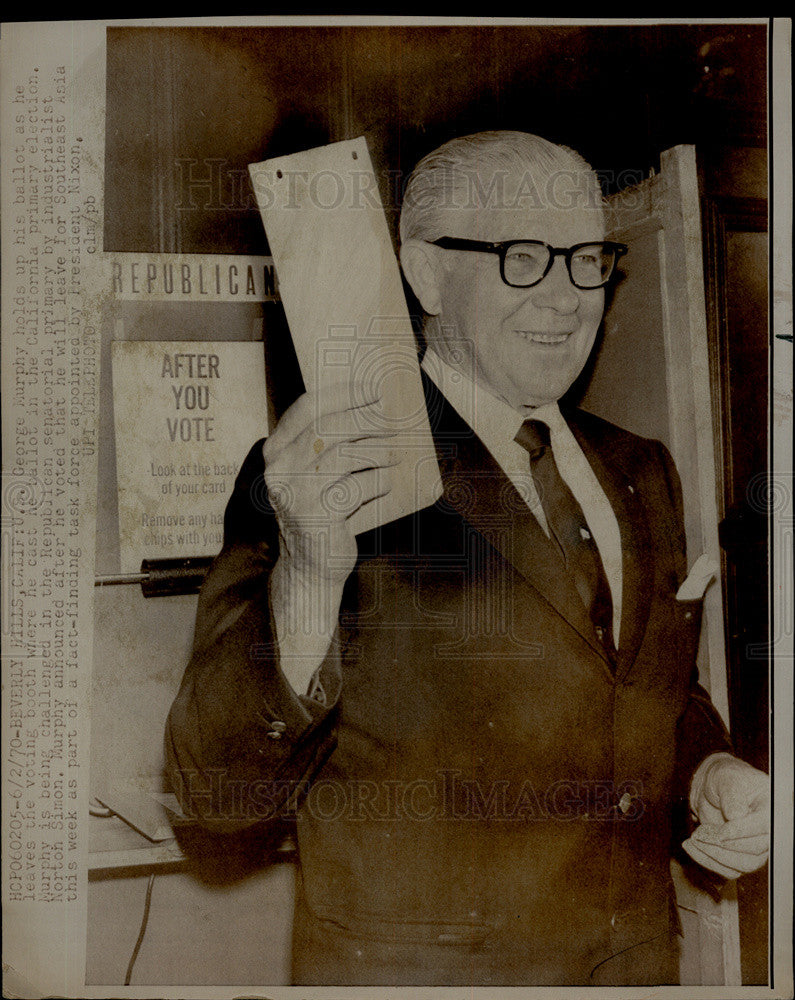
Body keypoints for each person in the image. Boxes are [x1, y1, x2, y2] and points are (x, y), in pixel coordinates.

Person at [165, 131, 769, 986]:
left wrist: (710, 769)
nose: (565, 298)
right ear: (423, 275)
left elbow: (649, 694)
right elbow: (216, 794)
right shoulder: (326, 474)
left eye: (587, 258)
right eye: (523, 257)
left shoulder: (640, 467)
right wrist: (306, 575)